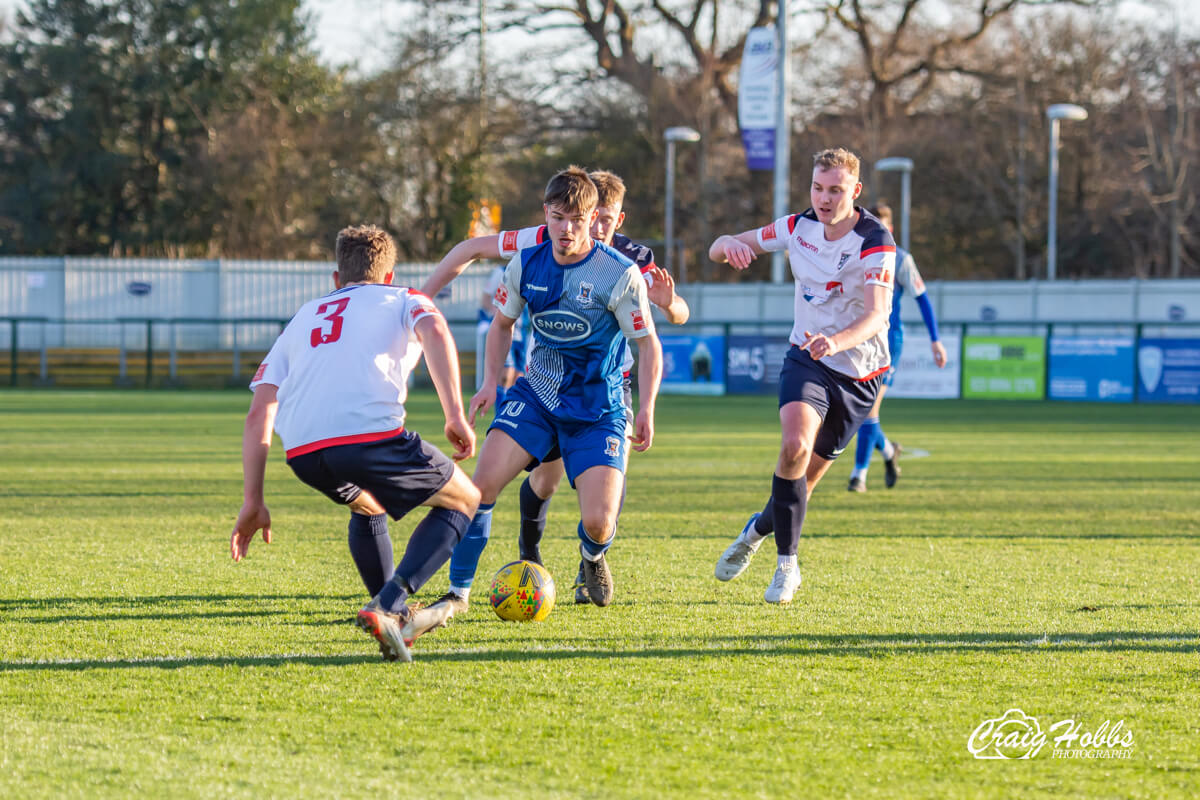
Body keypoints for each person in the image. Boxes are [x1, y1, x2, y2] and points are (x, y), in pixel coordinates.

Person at [420, 169, 686, 610]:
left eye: (577, 220)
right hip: (537, 397)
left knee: (599, 522)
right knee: (478, 489)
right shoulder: (526, 262)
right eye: (559, 218)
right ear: (546, 213)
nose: (567, 229)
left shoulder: (620, 273)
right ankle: (457, 594)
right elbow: (501, 325)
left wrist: (647, 408)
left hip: (598, 408)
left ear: (593, 220)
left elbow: (647, 343)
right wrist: (489, 382)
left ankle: (592, 555)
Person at [229, 224, 481, 663]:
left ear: (336, 278)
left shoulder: (304, 316)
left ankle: (390, 619)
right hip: (370, 437)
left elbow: (259, 412)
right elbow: (437, 332)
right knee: (466, 499)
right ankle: (390, 602)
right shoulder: (403, 297)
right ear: (389, 276)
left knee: (368, 505)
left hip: (303, 452)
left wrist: (254, 500)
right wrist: (455, 414)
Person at [708, 147, 895, 604]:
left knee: (801, 486)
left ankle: (754, 532)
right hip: (806, 358)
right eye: (817, 188)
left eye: (835, 190)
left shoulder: (876, 241)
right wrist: (729, 245)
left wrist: (837, 340)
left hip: (858, 375)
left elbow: (877, 316)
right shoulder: (796, 227)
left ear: (856, 190)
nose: (825, 198)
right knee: (793, 448)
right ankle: (787, 567)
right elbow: (719, 247)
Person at [847, 202, 947, 492]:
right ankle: (889, 451)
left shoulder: (901, 259)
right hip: (858, 341)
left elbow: (923, 299)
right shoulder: (852, 254)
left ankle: (859, 475)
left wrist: (935, 340)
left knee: (868, 409)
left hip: (888, 344)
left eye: (882, 225)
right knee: (857, 411)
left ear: (890, 228)